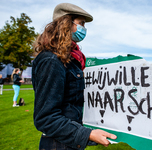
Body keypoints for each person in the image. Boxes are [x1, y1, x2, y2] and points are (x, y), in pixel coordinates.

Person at [32, 3, 117, 150]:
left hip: (68, 141)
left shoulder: (72, 59)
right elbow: (45, 118)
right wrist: (87, 135)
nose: (84, 29)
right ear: (66, 24)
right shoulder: (51, 60)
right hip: (57, 144)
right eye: (81, 23)